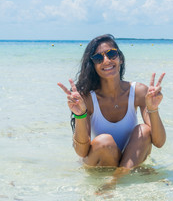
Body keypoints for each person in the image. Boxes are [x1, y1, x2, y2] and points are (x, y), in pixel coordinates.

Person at [57, 34, 166, 170]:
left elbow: (159, 142)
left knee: (143, 130)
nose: (106, 60)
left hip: (130, 159)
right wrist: (80, 115)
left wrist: (153, 109)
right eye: (98, 58)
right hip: (101, 159)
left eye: (112, 54)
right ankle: (120, 177)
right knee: (104, 141)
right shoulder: (87, 98)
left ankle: (115, 179)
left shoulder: (139, 92)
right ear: (93, 66)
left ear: (120, 58)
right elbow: (82, 152)